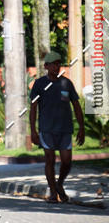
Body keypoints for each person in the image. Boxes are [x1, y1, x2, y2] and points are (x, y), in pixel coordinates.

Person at [29, 50, 85, 203]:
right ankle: (53, 193)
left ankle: (59, 184)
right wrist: (33, 131)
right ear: (46, 66)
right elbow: (33, 108)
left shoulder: (66, 83)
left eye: (58, 64)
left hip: (65, 129)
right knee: (50, 160)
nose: (56, 67)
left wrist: (81, 127)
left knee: (67, 161)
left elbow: (76, 105)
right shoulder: (39, 84)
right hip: (46, 129)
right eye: (53, 64)